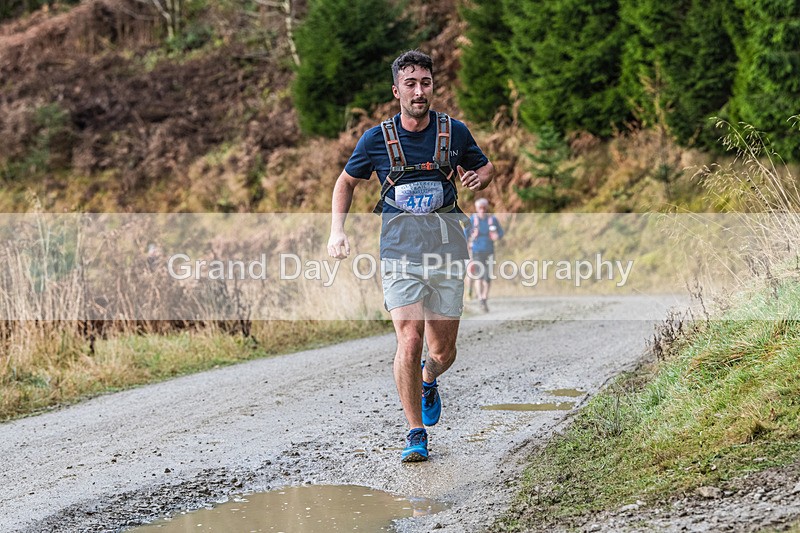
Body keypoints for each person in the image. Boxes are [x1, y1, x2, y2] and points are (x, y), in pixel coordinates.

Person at [327, 50, 494, 463]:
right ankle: (414, 432)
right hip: (399, 251)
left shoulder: (454, 132)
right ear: (396, 90)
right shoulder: (375, 140)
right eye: (411, 84)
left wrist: (478, 176)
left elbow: (487, 167)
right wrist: (337, 230)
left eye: (426, 83)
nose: (419, 92)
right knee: (409, 337)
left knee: (442, 352)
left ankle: (428, 378)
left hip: (448, 250)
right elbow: (345, 183)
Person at [467, 198, 503, 312]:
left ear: (486, 208)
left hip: (489, 250)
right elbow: (465, 232)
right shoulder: (473, 219)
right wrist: (467, 243)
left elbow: (500, 232)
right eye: (480, 208)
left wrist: (497, 236)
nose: (482, 210)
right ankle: (481, 299)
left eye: (484, 208)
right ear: (477, 209)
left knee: (488, 277)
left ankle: (484, 298)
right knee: (479, 275)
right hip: (477, 250)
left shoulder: (492, 219)